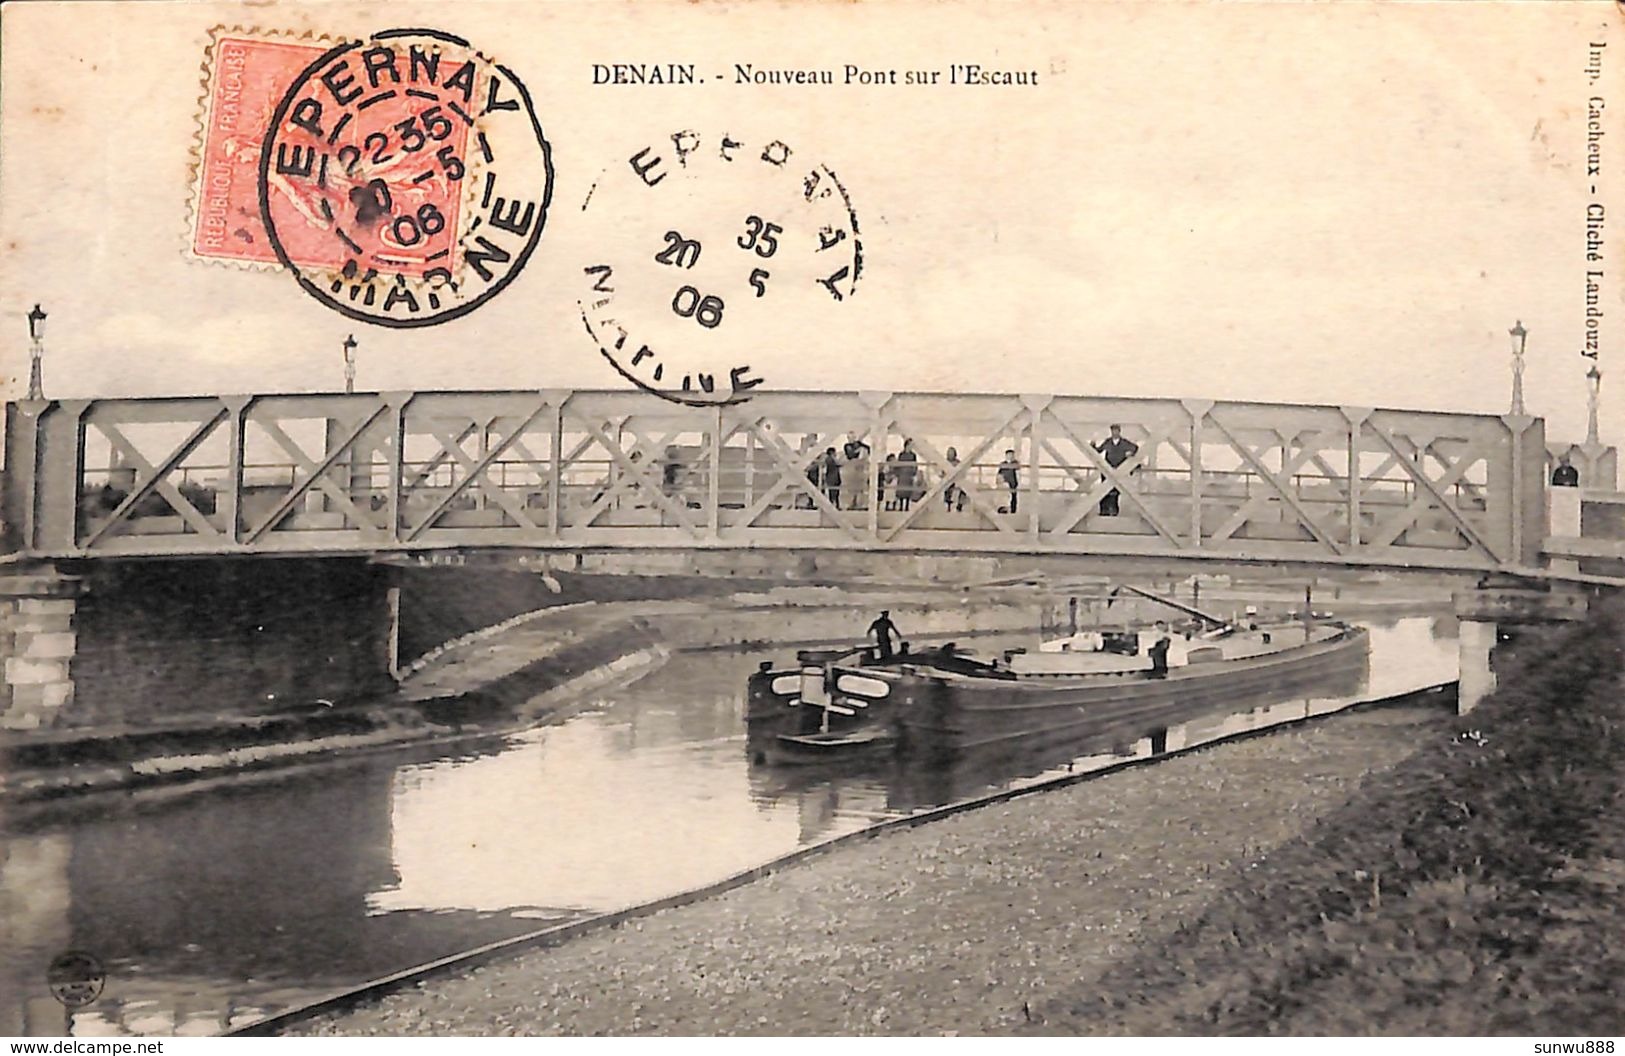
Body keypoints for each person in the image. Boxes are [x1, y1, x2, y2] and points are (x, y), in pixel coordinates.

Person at [1094, 424, 1139, 516]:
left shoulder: (1124, 442)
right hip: (1107, 470)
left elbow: (1135, 448)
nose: (1114, 433)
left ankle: (1114, 510)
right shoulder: (1108, 442)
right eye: (1113, 431)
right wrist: (1093, 445)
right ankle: (1104, 510)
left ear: (1119, 431)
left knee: (1115, 492)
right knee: (1104, 491)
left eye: (1116, 430)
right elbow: (1098, 450)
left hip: (1118, 470)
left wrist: (1131, 453)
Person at [842, 432, 871, 509]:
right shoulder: (847, 446)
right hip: (853, 468)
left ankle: (860, 503)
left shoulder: (862, 447)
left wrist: (859, 444)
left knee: (860, 487)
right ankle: (853, 502)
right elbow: (850, 455)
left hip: (859, 469)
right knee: (852, 487)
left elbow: (868, 449)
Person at [893, 438, 920, 510]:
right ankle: (901, 506)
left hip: (909, 474)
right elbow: (899, 463)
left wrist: (914, 472)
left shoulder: (913, 455)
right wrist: (897, 473)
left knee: (908, 490)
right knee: (901, 490)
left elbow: (915, 464)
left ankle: (907, 506)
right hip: (902, 473)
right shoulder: (901, 454)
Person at [944, 446, 966, 512]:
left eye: (951, 453)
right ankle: (948, 504)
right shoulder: (944, 462)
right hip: (947, 481)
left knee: (964, 489)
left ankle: (959, 505)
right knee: (948, 488)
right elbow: (942, 473)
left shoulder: (958, 462)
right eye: (949, 453)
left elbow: (963, 473)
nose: (950, 455)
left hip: (957, 481)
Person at [998, 449, 1020, 513]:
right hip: (1005, 482)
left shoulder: (1015, 463)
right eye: (1009, 455)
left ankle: (1013, 510)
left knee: (1013, 497)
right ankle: (1004, 509)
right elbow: (1000, 472)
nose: (1011, 456)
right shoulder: (1003, 464)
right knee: (1004, 497)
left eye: (1012, 455)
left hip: (1013, 482)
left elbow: (1018, 468)